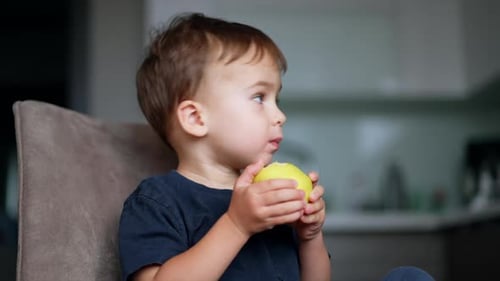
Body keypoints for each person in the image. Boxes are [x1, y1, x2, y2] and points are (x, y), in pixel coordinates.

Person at [118, 12, 435, 281]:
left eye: (276, 99)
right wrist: (236, 225)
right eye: (259, 97)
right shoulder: (157, 201)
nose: (280, 115)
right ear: (196, 118)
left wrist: (310, 237)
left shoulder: (269, 196)